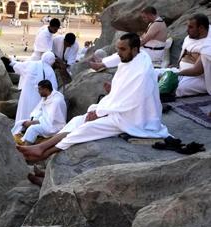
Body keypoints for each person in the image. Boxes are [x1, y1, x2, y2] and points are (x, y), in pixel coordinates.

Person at [18, 33, 169, 162]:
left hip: (134, 118)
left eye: (122, 49)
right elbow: (121, 91)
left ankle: (44, 154)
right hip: (119, 109)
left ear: (135, 49)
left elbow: (128, 101)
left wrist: (99, 112)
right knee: (78, 120)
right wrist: (103, 68)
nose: (119, 53)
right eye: (118, 49)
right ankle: (41, 147)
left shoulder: (141, 71)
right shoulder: (135, 57)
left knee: (87, 128)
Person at [12, 52, 59, 128]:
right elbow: (53, 88)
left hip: (26, 94)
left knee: (23, 110)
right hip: (39, 97)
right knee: (35, 113)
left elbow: (16, 67)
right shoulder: (50, 71)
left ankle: (19, 127)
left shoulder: (31, 64)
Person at [12, 79, 67, 145]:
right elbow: (40, 111)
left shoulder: (56, 101)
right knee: (20, 123)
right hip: (44, 122)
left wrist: (34, 122)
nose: (38, 91)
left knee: (32, 129)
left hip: (54, 127)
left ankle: (26, 147)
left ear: (46, 89)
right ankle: (20, 138)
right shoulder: (47, 97)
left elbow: (52, 121)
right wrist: (33, 120)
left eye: (40, 89)